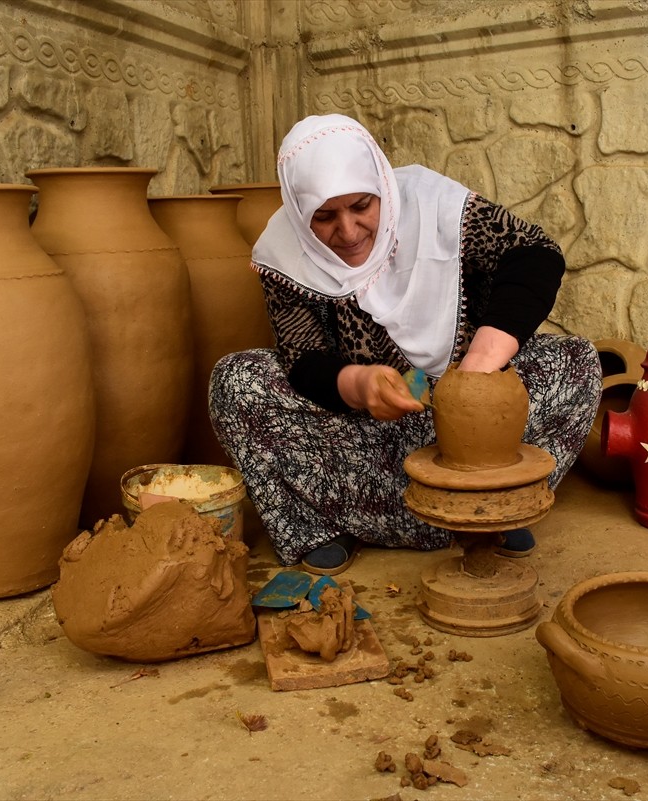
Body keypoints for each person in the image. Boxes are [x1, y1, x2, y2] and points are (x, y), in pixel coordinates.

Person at [209, 114, 601, 575]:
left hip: (467, 389)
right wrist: (359, 384)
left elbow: (534, 256)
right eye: (324, 216)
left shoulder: (434, 206)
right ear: (299, 211)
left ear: (381, 185)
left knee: (576, 360)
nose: (349, 232)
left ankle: (495, 499)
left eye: (361, 205)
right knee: (236, 380)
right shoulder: (284, 254)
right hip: (375, 425)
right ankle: (324, 524)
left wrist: (480, 364)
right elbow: (303, 357)